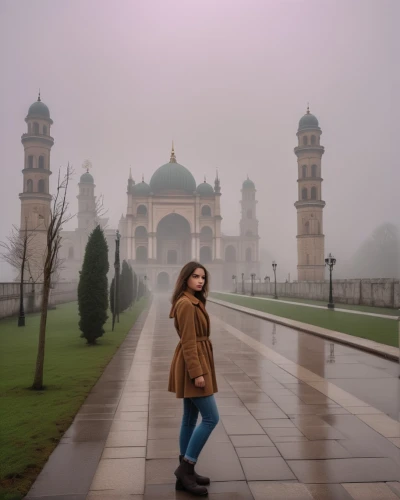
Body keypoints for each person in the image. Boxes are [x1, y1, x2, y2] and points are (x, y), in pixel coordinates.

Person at [168, 261, 219, 497]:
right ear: (185, 278)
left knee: (190, 418)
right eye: (196, 276)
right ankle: (185, 467)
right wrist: (197, 373)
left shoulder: (191, 300)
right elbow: (189, 341)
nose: (200, 281)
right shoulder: (186, 304)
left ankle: (186, 474)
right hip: (193, 362)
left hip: (196, 359)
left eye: (203, 277)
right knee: (211, 417)